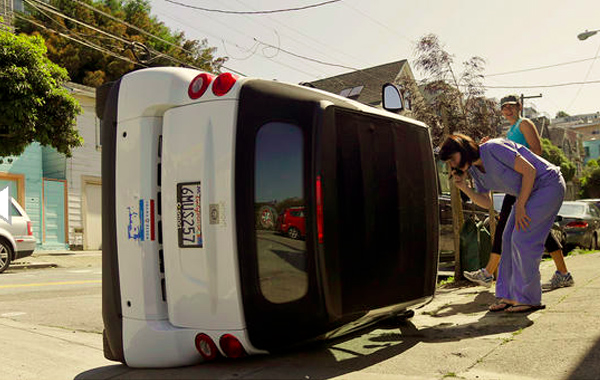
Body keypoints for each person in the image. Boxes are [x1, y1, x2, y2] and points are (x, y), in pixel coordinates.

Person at [440, 133, 565, 312]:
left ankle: (529, 298)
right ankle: (508, 297)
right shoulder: (475, 170)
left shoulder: (493, 148)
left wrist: (520, 205)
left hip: (548, 184)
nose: (453, 165)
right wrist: (464, 188)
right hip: (526, 194)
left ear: (463, 148)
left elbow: (530, 171)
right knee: (506, 240)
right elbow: (486, 202)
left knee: (522, 239)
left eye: (452, 159)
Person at [463, 95, 574, 291]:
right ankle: (562, 273)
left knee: (507, 227)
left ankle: (490, 274)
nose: (508, 111)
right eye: (504, 108)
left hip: (529, 182)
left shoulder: (524, 124)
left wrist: (506, 153)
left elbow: (536, 152)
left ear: (519, 107)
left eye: (511, 107)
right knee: (533, 228)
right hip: (516, 185)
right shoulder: (511, 130)